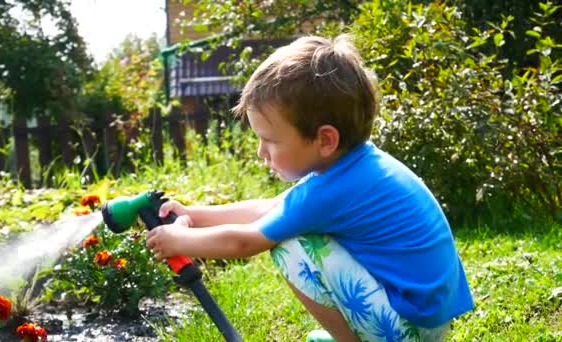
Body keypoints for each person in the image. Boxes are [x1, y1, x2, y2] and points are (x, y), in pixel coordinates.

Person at [146, 34, 474, 341]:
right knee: (291, 226)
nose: (261, 152)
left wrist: (179, 239)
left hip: (407, 327)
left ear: (325, 140)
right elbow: (271, 207)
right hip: (426, 322)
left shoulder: (331, 188)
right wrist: (192, 215)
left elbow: (244, 241)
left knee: (290, 246)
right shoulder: (354, 168)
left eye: (270, 141)